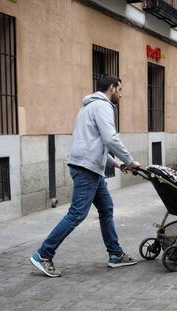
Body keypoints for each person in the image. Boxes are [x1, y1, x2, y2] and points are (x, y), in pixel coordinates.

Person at [30, 75, 141, 277]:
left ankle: (115, 254)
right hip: (86, 169)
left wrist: (116, 163)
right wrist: (130, 160)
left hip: (89, 167)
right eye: (119, 89)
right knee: (77, 214)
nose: (121, 94)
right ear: (112, 88)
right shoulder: (103, 106)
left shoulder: (87, 108)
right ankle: (43, 254)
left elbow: (94, 143)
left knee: (106, 209)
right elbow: (110, 138)